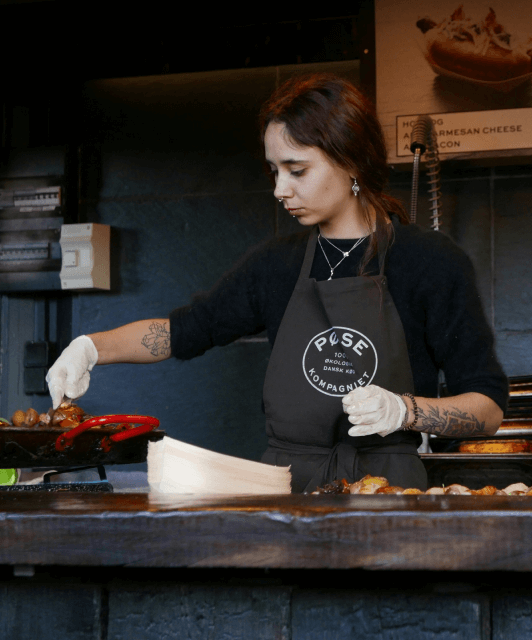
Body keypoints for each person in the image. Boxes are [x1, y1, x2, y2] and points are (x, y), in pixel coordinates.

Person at [46, 73, 508, 493]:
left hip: (387, 496)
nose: (279, 189)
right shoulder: (276, 266)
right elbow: (185, 330)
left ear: (351, 162)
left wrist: (405, 411)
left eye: (297, 169)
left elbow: (488, 409)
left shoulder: (430, 262)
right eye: (274, 170)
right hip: (288, 496)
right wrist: (90, 348)